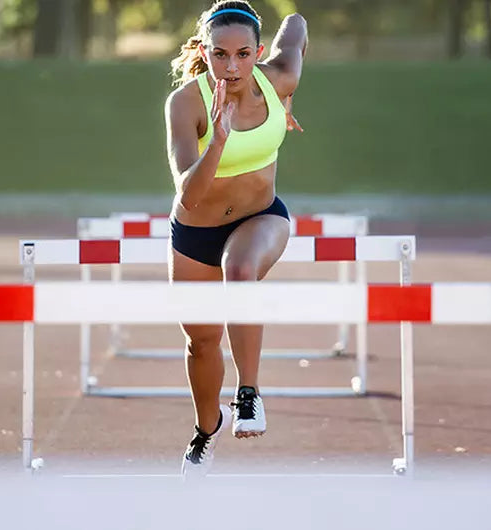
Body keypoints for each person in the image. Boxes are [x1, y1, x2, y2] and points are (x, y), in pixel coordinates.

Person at [164, 0, 307, 476]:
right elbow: (187, 196)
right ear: (204, 53)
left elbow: (297, 26)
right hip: (196, 231)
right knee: (201, 343)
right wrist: (218, 141)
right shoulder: (186, 103)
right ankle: (207, 429)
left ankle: (249, 393)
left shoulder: (279, 77)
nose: (232, 66)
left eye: (244, 54)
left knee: (241, 269)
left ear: (258, 51)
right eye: (220, 55)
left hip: (261, 217)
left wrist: (288, 101)